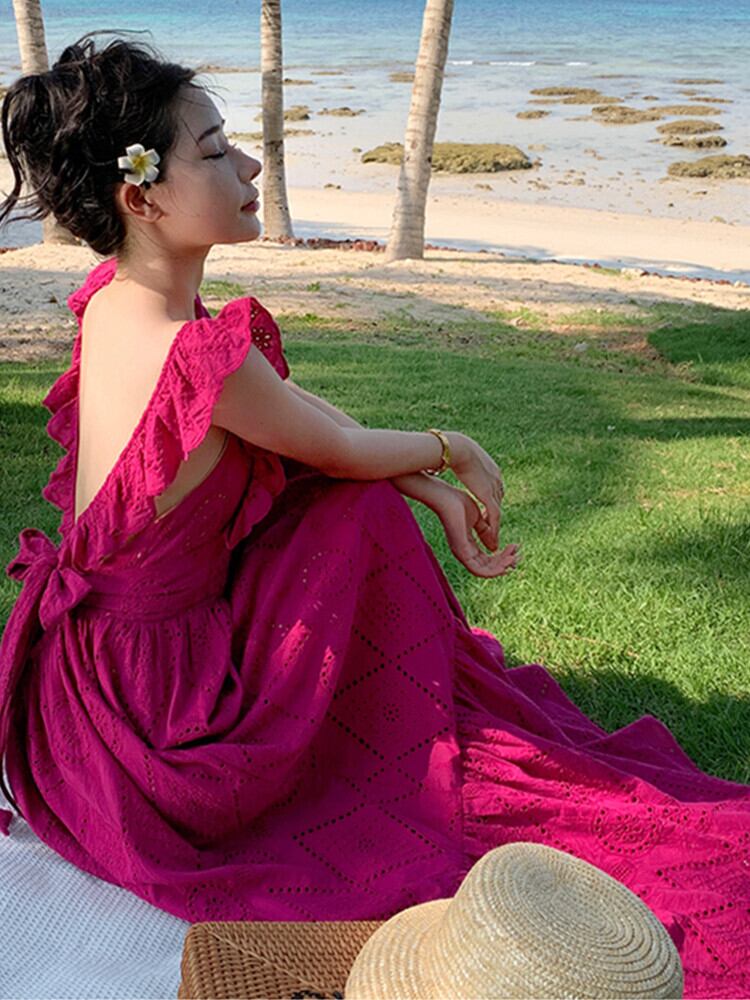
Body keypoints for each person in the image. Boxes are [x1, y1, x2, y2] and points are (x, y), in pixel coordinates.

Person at [0, 32, 748, 999]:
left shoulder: (118, 299)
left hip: (89, 678)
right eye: (217, 150)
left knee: (349, 506)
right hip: (161, 720)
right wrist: (451, 447)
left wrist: (417, 479)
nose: (251, 166)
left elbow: (311, 426)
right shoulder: (188, 354)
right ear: (141, 197)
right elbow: (334, 448)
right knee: (355, 514)